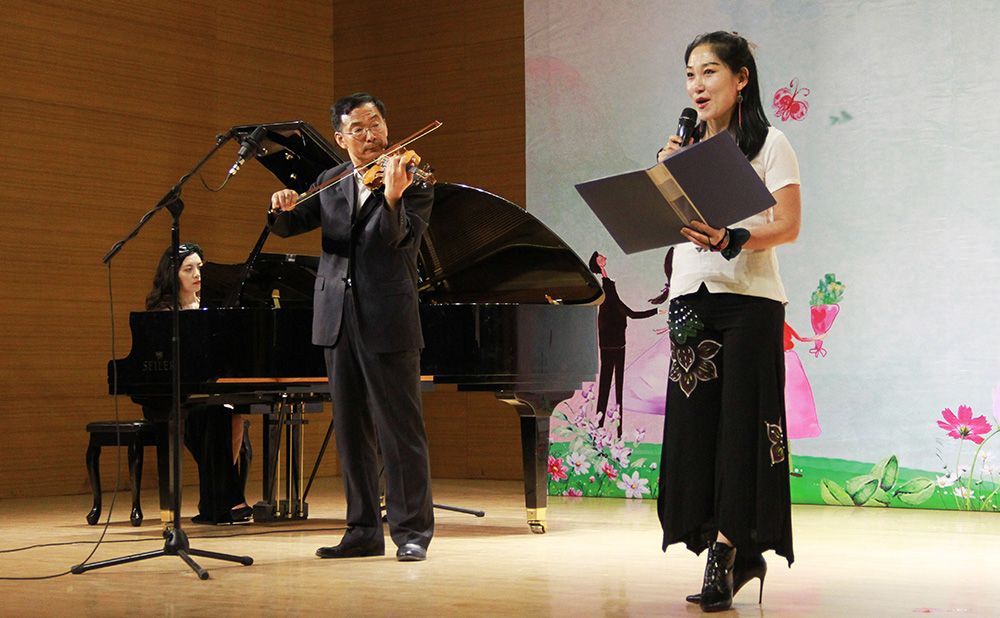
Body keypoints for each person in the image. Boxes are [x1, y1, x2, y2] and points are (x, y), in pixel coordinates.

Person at [654, 31, 801, 612]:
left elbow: (787, 225)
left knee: (743, 432)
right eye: (690, 74)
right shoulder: (681, 152)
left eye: (709, 71)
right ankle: (722, 548)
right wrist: (663, 178)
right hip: (690, 298)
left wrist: (732, 237)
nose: (697, 85)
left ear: (741, 79)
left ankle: (729, 552)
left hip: (749, 301)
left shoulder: (770, 144)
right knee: (695, 432)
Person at [268, 93, 435, 562]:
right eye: (357, 129)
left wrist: (393, 197)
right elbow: (288, 225)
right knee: (351, 432)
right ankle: (362, 530)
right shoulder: (331, 180)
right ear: (341, 139)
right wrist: (280, 205)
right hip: (336, 318)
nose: (369, 135)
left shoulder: (414, 179)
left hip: (388, 318)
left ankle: (412, 533)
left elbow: (396, 241)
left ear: (386, 125)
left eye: (375, 123)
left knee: (399, 431)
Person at [144, 243, 253, 525]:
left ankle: (215, 502)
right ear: (173, 274)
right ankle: (226, 501)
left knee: (233, 417)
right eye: (188, 269)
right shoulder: (162, 312)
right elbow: (160, 365)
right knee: (215, 414)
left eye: (200, 268)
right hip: (170, 396)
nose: (196, 274)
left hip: (205, 393)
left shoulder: (211, 308)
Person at [589, 251, 657, 438]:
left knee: (607, 386)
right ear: (598, 262)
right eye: (600, 256)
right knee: (614, 387)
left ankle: (603, 429)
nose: (604, 256)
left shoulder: (606, 286)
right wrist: (656, 311)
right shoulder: (607, 287)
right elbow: (630, 313)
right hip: (616, 343)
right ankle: (613, 431)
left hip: (609, 342)